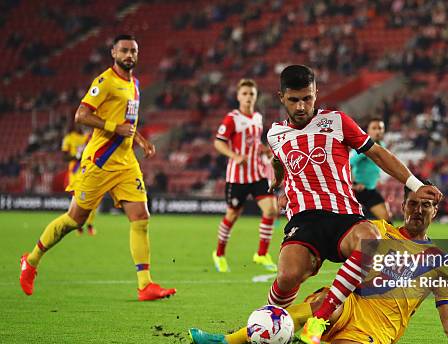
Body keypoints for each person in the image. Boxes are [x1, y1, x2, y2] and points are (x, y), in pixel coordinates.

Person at [189, 184, 448, 344]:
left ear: (434, 212)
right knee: (327, 300)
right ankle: (227, 341)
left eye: (426, 206)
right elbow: (338, 238)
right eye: (413, 203)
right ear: (403, 206)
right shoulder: (377, 231)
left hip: (376, 333)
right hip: (350, 306)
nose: (418, 210)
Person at [264, 64, 442, 344]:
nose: (302, 106)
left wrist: (414, 184)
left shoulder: (336, 121)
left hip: (343, 214)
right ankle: (263, 331)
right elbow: (278, 159)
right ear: (281, 97)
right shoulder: (275, 135)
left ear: (316, 93)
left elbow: (377, 153)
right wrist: (276, 179)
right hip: (304, 219)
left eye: (307, 98)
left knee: (371, 240)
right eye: (294, 99)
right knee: (287, 276)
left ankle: (320, 320)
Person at [19, 34, 176, 301]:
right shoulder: (104, 82)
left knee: (141, 217)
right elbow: (80, 115)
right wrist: (115, 128)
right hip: (100, 161)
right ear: (113, 52)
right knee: (74, 219)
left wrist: (140, 139)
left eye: (133, 51)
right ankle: (31, 260)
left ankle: (145, 285)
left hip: (126, 163)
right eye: (124, 50)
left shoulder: (135, 84)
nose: (129, 55)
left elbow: (128, 122)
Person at [212, 78, 278, 273]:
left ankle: (261, 254)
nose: (248, 97)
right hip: (237, 177)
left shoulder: (257, 117)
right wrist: (234, 155)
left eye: (252, 94)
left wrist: (263, 149)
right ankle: (219, 254)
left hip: (257, 173)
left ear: (256, 96)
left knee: (271, 209)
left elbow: (254, 142)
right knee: (232, 215)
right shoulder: (232, 118)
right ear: (238, 96)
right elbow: (218, 142)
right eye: (245, 94)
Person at [350, 118, 391, 222]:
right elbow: (348, 164)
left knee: (387, 219)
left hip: (369, 190)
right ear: (368, 130)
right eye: (374, 128)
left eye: (380, 128)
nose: (378, 131)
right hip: (357, 191)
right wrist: (353, 184)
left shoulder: (382, 145)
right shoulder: (363, 147)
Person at [62, 125, 96, 235]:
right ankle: (78, 225)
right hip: (75, 173)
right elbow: (64, 157)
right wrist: (77, 157)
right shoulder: (69, 138)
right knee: (77, 200)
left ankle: (90, 224)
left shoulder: (90, 137)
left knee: (92, 197)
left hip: (88, 170)